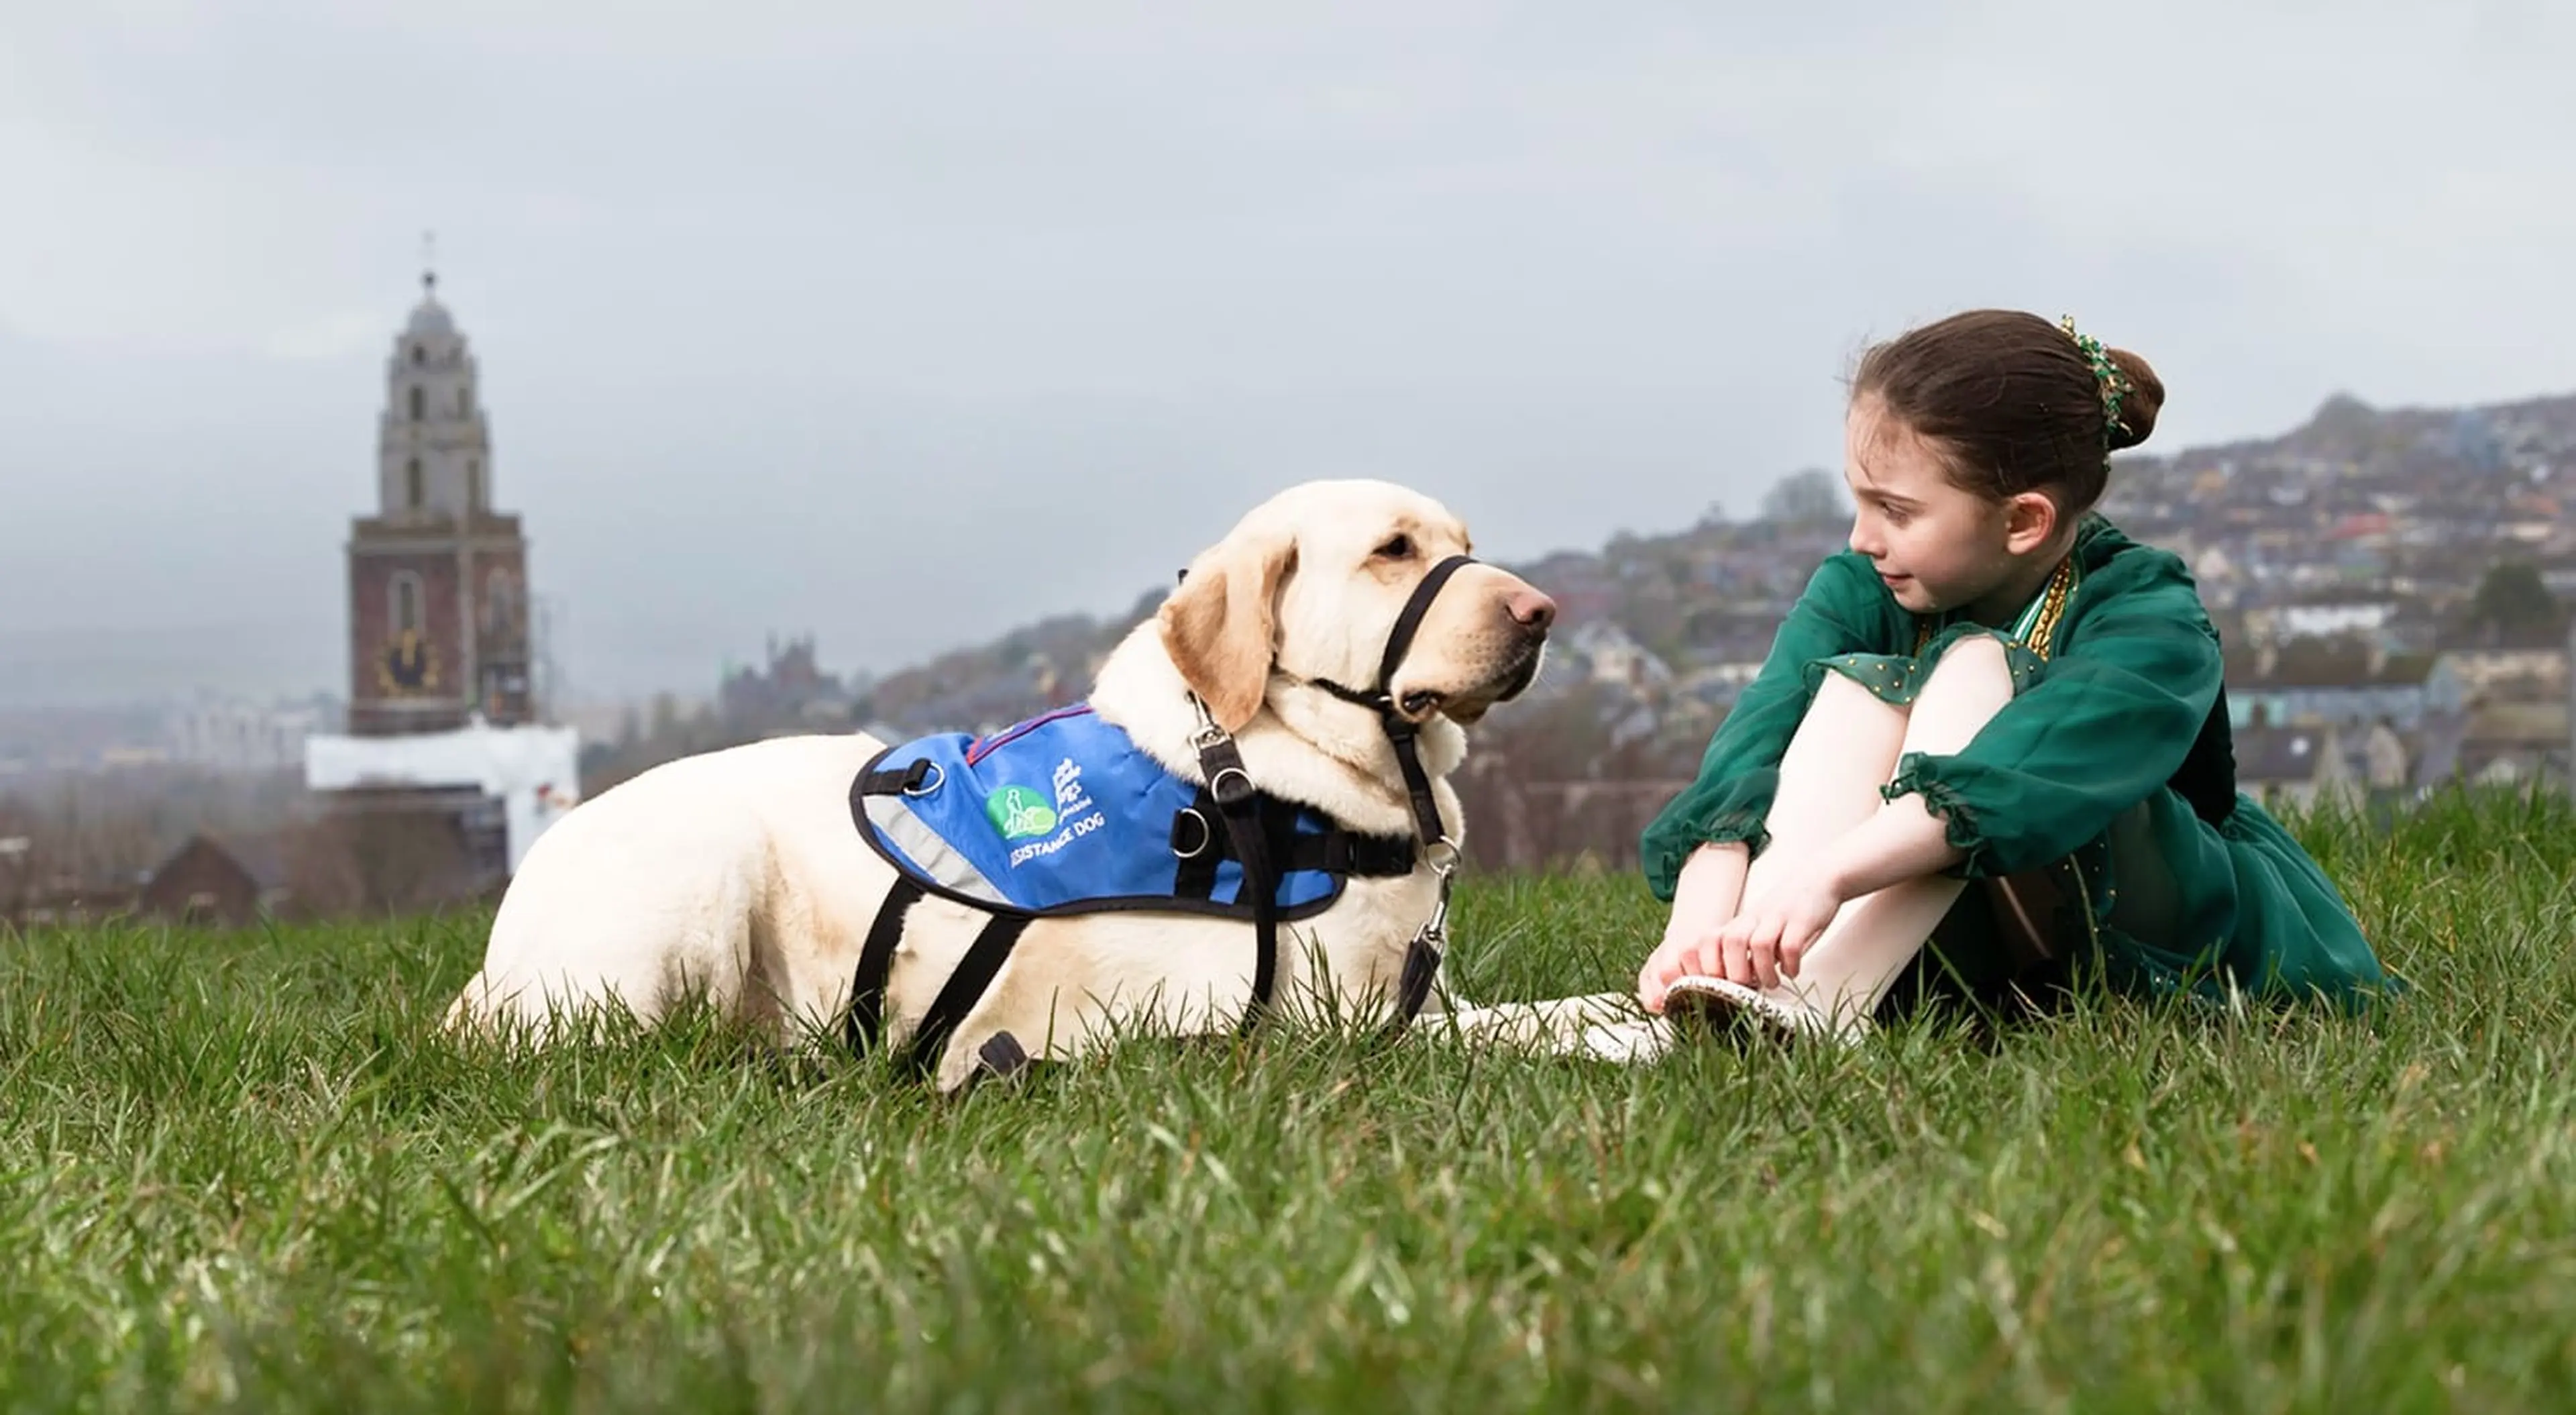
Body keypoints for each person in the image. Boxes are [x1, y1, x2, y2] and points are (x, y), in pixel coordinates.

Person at [1632, 309, 2392, 1041]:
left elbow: (2029, 778)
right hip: (1961, 936)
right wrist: (1694, 934)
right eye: (1859, 501)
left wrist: (1825, 878)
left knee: (1974, 667)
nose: (1864, 537)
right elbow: (1756, 737)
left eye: (1896, 510)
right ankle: (1745, 986)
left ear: (2024, 521)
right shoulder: (1863, 582)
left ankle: (1814, 1001)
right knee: (1853, 691)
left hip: (2149, 925)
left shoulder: (2150, 615)